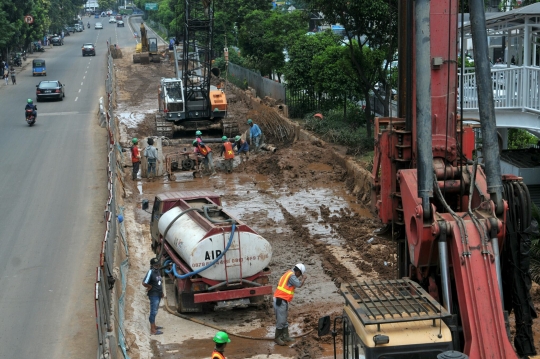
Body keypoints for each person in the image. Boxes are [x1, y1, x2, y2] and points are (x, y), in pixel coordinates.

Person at [273, 263, 307, 346]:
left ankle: (285, 336)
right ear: (298, 272)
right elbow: (298, 284)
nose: (299, 276)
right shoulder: (292, 276)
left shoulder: (288, 273)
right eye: (300, 274)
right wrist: (303, 279)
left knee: (284, 319)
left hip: (282, 299)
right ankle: (277, 338)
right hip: (280, 300)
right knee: (281, 320)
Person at [142, 258, 164, 335]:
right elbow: (144, 282)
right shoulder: (150, 272)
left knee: (155, 311)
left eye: (158, 264)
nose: (157, 266)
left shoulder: (157, 271)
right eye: (155, 265)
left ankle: (154, 326)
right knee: (153, 311)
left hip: (158, 294)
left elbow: (159, 282)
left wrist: (161, 292)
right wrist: (150, 286)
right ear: (152, 265)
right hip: (153, 295)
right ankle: (152, 330)